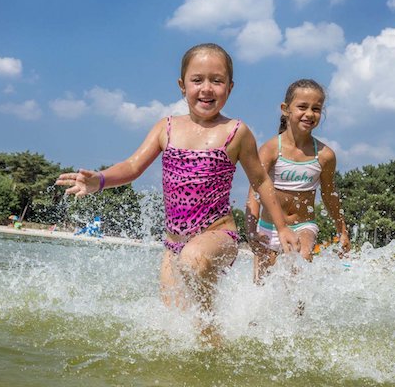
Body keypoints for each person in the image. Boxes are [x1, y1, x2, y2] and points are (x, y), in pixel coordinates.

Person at [56, 43, 299, 343]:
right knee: (174, 331)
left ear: (230, 88)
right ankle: (215, 345)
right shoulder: (166, 128)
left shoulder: (236, 132)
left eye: (217, 80)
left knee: (194, 263)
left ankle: (212, 332)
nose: (207, 88)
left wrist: (282, 226)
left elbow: (261, 181)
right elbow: (133, 165)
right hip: (173, 246)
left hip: (218, 237)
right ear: (182, 86)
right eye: (198, 80)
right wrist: (100, 180)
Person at [245, 79, 351, 283]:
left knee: (299, 267)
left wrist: (342, 230)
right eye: (302, 107)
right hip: (269, 227)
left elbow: (329, 195)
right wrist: (251, 231)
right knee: (261, 284)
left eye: (316, 109)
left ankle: (299, 315)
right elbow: (255, 193)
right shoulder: (270, 149)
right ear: (286, 109)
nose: (310, 114)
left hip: (304, 226)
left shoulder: (325, 155)